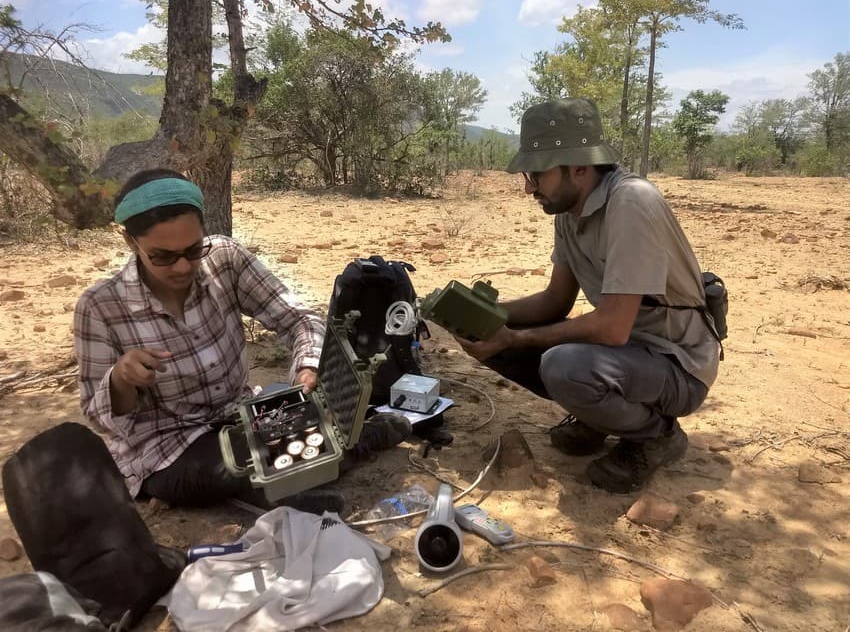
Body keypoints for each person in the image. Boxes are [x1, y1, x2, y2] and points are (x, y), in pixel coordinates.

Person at [73, 169, 410, 512]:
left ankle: (283, 483)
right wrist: (120, 380)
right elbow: (101, 418)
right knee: (223, 467)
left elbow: (298, 318)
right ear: (130, 242)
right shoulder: (99, 307)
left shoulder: (224, 260)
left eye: (192, 249)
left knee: (292, 435)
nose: (181, 267)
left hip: (241, 416)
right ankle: (325, 462)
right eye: (162, 256)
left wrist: (307, 366)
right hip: (168, 446)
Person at [455, 99, 721, 493]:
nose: (529, 188)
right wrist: (482, 313)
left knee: (564, 365)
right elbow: (554, 301)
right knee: (494, 334)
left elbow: (612, 328)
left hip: (677, 363)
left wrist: (515, 337)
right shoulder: (567, 210)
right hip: (628, 354)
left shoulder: (632, 202)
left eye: (537, 174)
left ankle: (655, 436)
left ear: (578, 167)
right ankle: (599, 417)